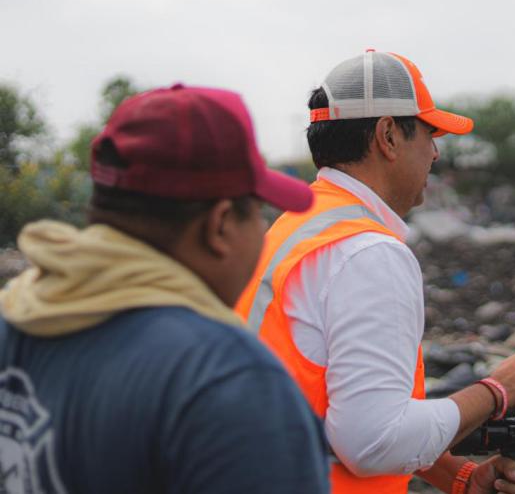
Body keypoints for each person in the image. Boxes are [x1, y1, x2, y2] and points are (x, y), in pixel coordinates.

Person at [236, 50, 515, 494]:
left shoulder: (296, 229)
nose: (436, 152)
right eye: (428, 133)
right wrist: (498, 392)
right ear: (387, 135)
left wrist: (459, 477)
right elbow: (372, 440)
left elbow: (329, 406)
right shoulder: (367, 253)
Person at [0, 85, 330, 494]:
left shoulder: (15, 319)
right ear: (221, 224)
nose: (263, 231)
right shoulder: (229, 380)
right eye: (259, 214)